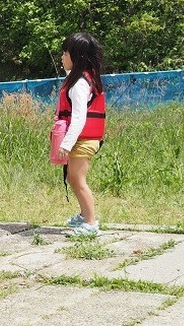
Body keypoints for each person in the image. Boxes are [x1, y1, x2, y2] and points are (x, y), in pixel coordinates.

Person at [57, 32, 106, 236]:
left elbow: (79, 117)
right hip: (83, 139)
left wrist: (66, 144)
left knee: (78, 180)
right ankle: (85, 215)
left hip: (84, 140)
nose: (62, 57)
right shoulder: (80, 78)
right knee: (72, 178)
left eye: (65, 53)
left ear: (76, 57)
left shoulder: (79, 84)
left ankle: (90, 223)